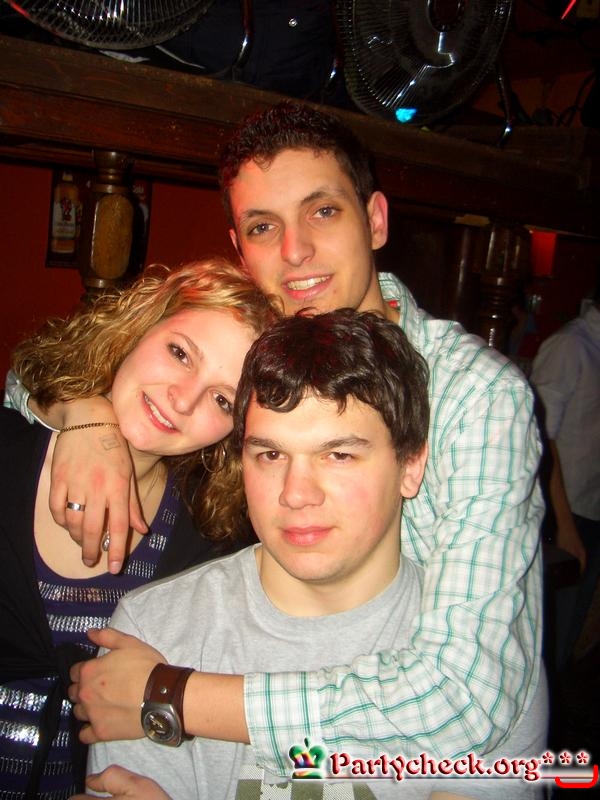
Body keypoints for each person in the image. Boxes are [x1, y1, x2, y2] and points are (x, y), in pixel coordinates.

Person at [11, 102, 545, 773]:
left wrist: (171, 696)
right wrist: (83, 413)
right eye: (264, 226)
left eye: (323, 211)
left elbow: (465, 700)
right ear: (240, 248)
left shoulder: (475, 396)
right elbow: (38, 376)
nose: (295, 252)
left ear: (375, 220)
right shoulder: (257, 370)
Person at [78, 311, 547, 800]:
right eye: (271, 455)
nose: (296, 494)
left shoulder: (485, 665)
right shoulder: (154, 633)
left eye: (338, 455)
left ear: (411, 465)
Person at [0, 258, 278, 799]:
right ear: (140, 326)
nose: (182, 399)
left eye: (223, 399)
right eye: (180, 353)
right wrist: (83, 410)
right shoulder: (8, 452)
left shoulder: (212, 545)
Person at [530, 285, 600, 671]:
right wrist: (565, 525)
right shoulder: (571, 346)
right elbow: (542, 436)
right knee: (552, 631)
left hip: (592, 505)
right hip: (567, 511)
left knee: (573, 627)